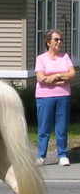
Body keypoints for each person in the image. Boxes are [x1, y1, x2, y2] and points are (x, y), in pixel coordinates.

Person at [35, 29, 76, 166]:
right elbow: (41, 78)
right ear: (48, 42)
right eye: (56, 39)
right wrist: (57, 77)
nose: (59, 42)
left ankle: (62, 155)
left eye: (60, 40)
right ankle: (41, 156)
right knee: (44, 128)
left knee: (62, 127)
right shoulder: (41, 59)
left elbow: (71, 74)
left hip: (63, 95)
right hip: (44, 97)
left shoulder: (65, 57)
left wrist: (54, 77)